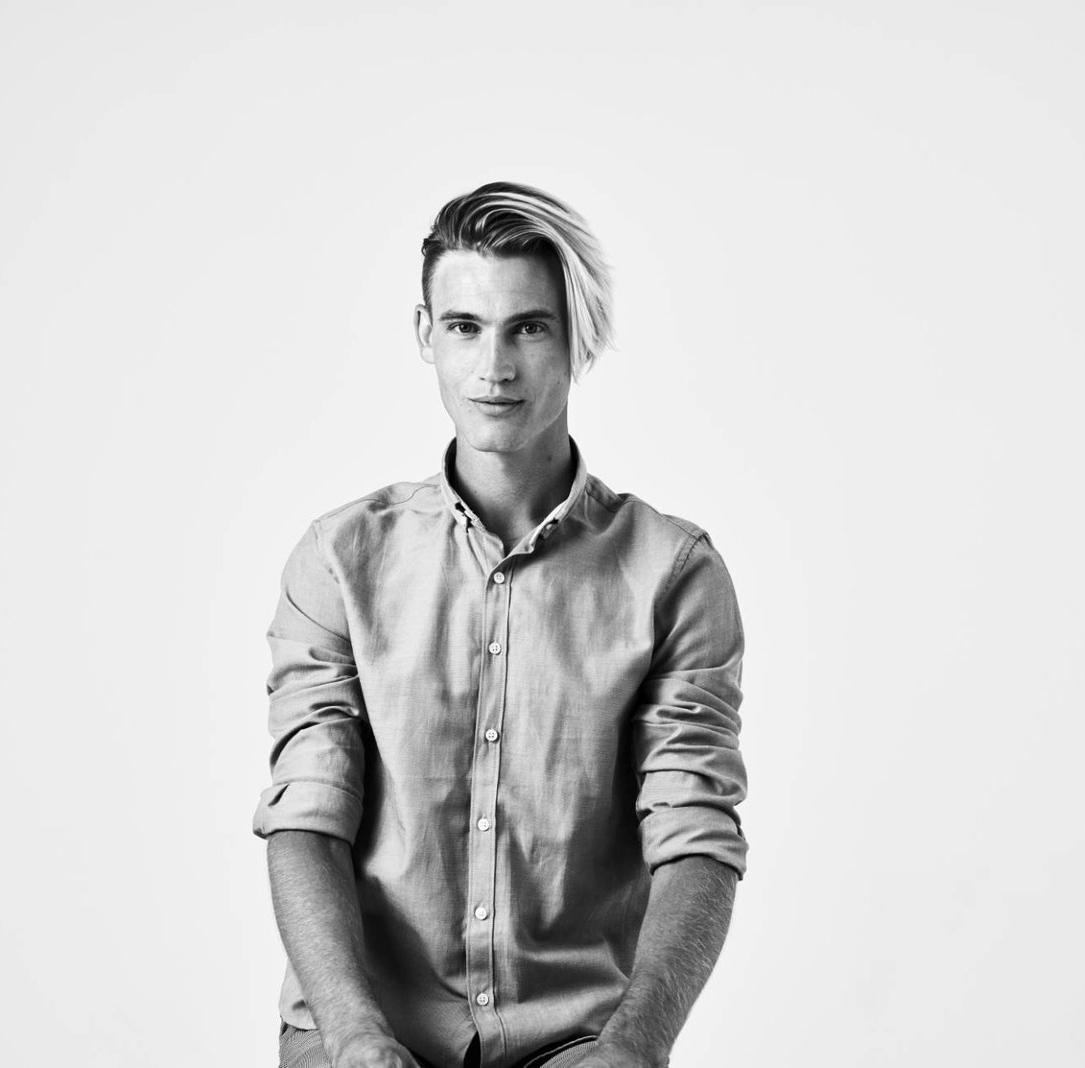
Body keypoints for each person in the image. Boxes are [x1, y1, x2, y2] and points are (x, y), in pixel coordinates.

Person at [253, 181, 748, 1068]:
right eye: (465, 327)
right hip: (363, 1025)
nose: (495, 367)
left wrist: (635, 1046)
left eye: (529, 328)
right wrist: (356, 1036)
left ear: (578, 337)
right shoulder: (336, 561)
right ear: (425, 334)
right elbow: (307, 818)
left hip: (578, 1037)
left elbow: (695, 835)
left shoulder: (674, 575)